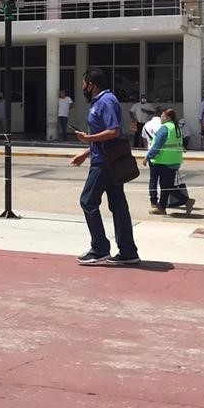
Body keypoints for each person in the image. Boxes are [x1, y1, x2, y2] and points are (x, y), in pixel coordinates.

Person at [71, 68, 139, 266]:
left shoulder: (106, 100)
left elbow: (114, 131)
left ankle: (100, 249)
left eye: (84, 83)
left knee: (88, 201)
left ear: (92, 84)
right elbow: (105, 137)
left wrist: (88, 138)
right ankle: (128, 251)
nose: (82, 87)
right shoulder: (99, 101)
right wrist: (86, 153)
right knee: (118, 205)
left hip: (105, 163)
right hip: (103, 157)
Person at [144, 108, 193, 216]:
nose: (161, 118)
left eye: (162, 116)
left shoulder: (165, 128)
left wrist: (148, 157)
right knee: (167, 185)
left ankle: (186, 200)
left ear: (168, 118)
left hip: (162, 161)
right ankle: (162, 208)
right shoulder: (176, 128)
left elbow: (157, 145)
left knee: (165, 186)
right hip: (174, 160)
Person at [141, 110, 164, 210]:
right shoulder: (163, 125)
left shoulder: (147, 125)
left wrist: (148, 151)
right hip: (162, 154)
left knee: (153, 179)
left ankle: (153, 201)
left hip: (151, 154)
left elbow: (144, 139)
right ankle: (163, 201)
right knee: (163, 179)